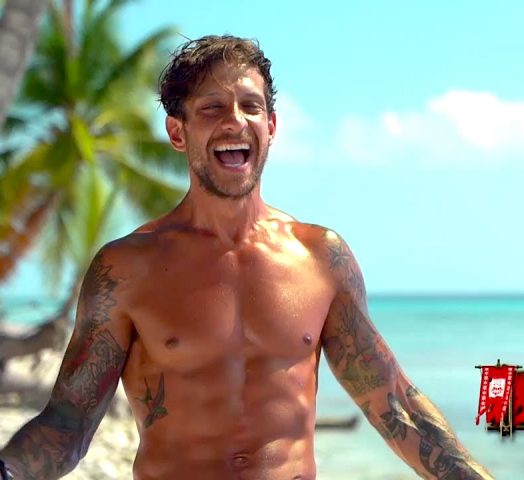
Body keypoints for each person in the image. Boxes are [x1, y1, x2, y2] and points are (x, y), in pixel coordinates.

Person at [0, 35, 493, 480]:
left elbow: (396, 409)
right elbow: (68, 423)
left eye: (250, 107)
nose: (235, 120)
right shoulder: (127, 269)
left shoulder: (320, 258)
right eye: (212, 108)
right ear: (177, 132)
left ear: (271, 126)